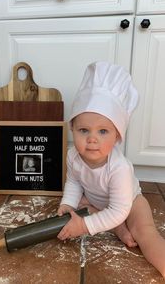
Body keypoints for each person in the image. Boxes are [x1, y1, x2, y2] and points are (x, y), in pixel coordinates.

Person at [57, 61, 165, 278]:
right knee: (80, 205)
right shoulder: (72, 156)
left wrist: (85, 226)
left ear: (117, 136)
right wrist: (68, 203)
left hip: (129, 204)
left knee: (144, 233)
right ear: (72, 129)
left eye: (103, 131)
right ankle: (118, 229)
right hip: (96, 201)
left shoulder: (119, 168)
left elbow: (118, 210)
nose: (92, 139)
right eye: (84, 130)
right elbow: (74, 182)